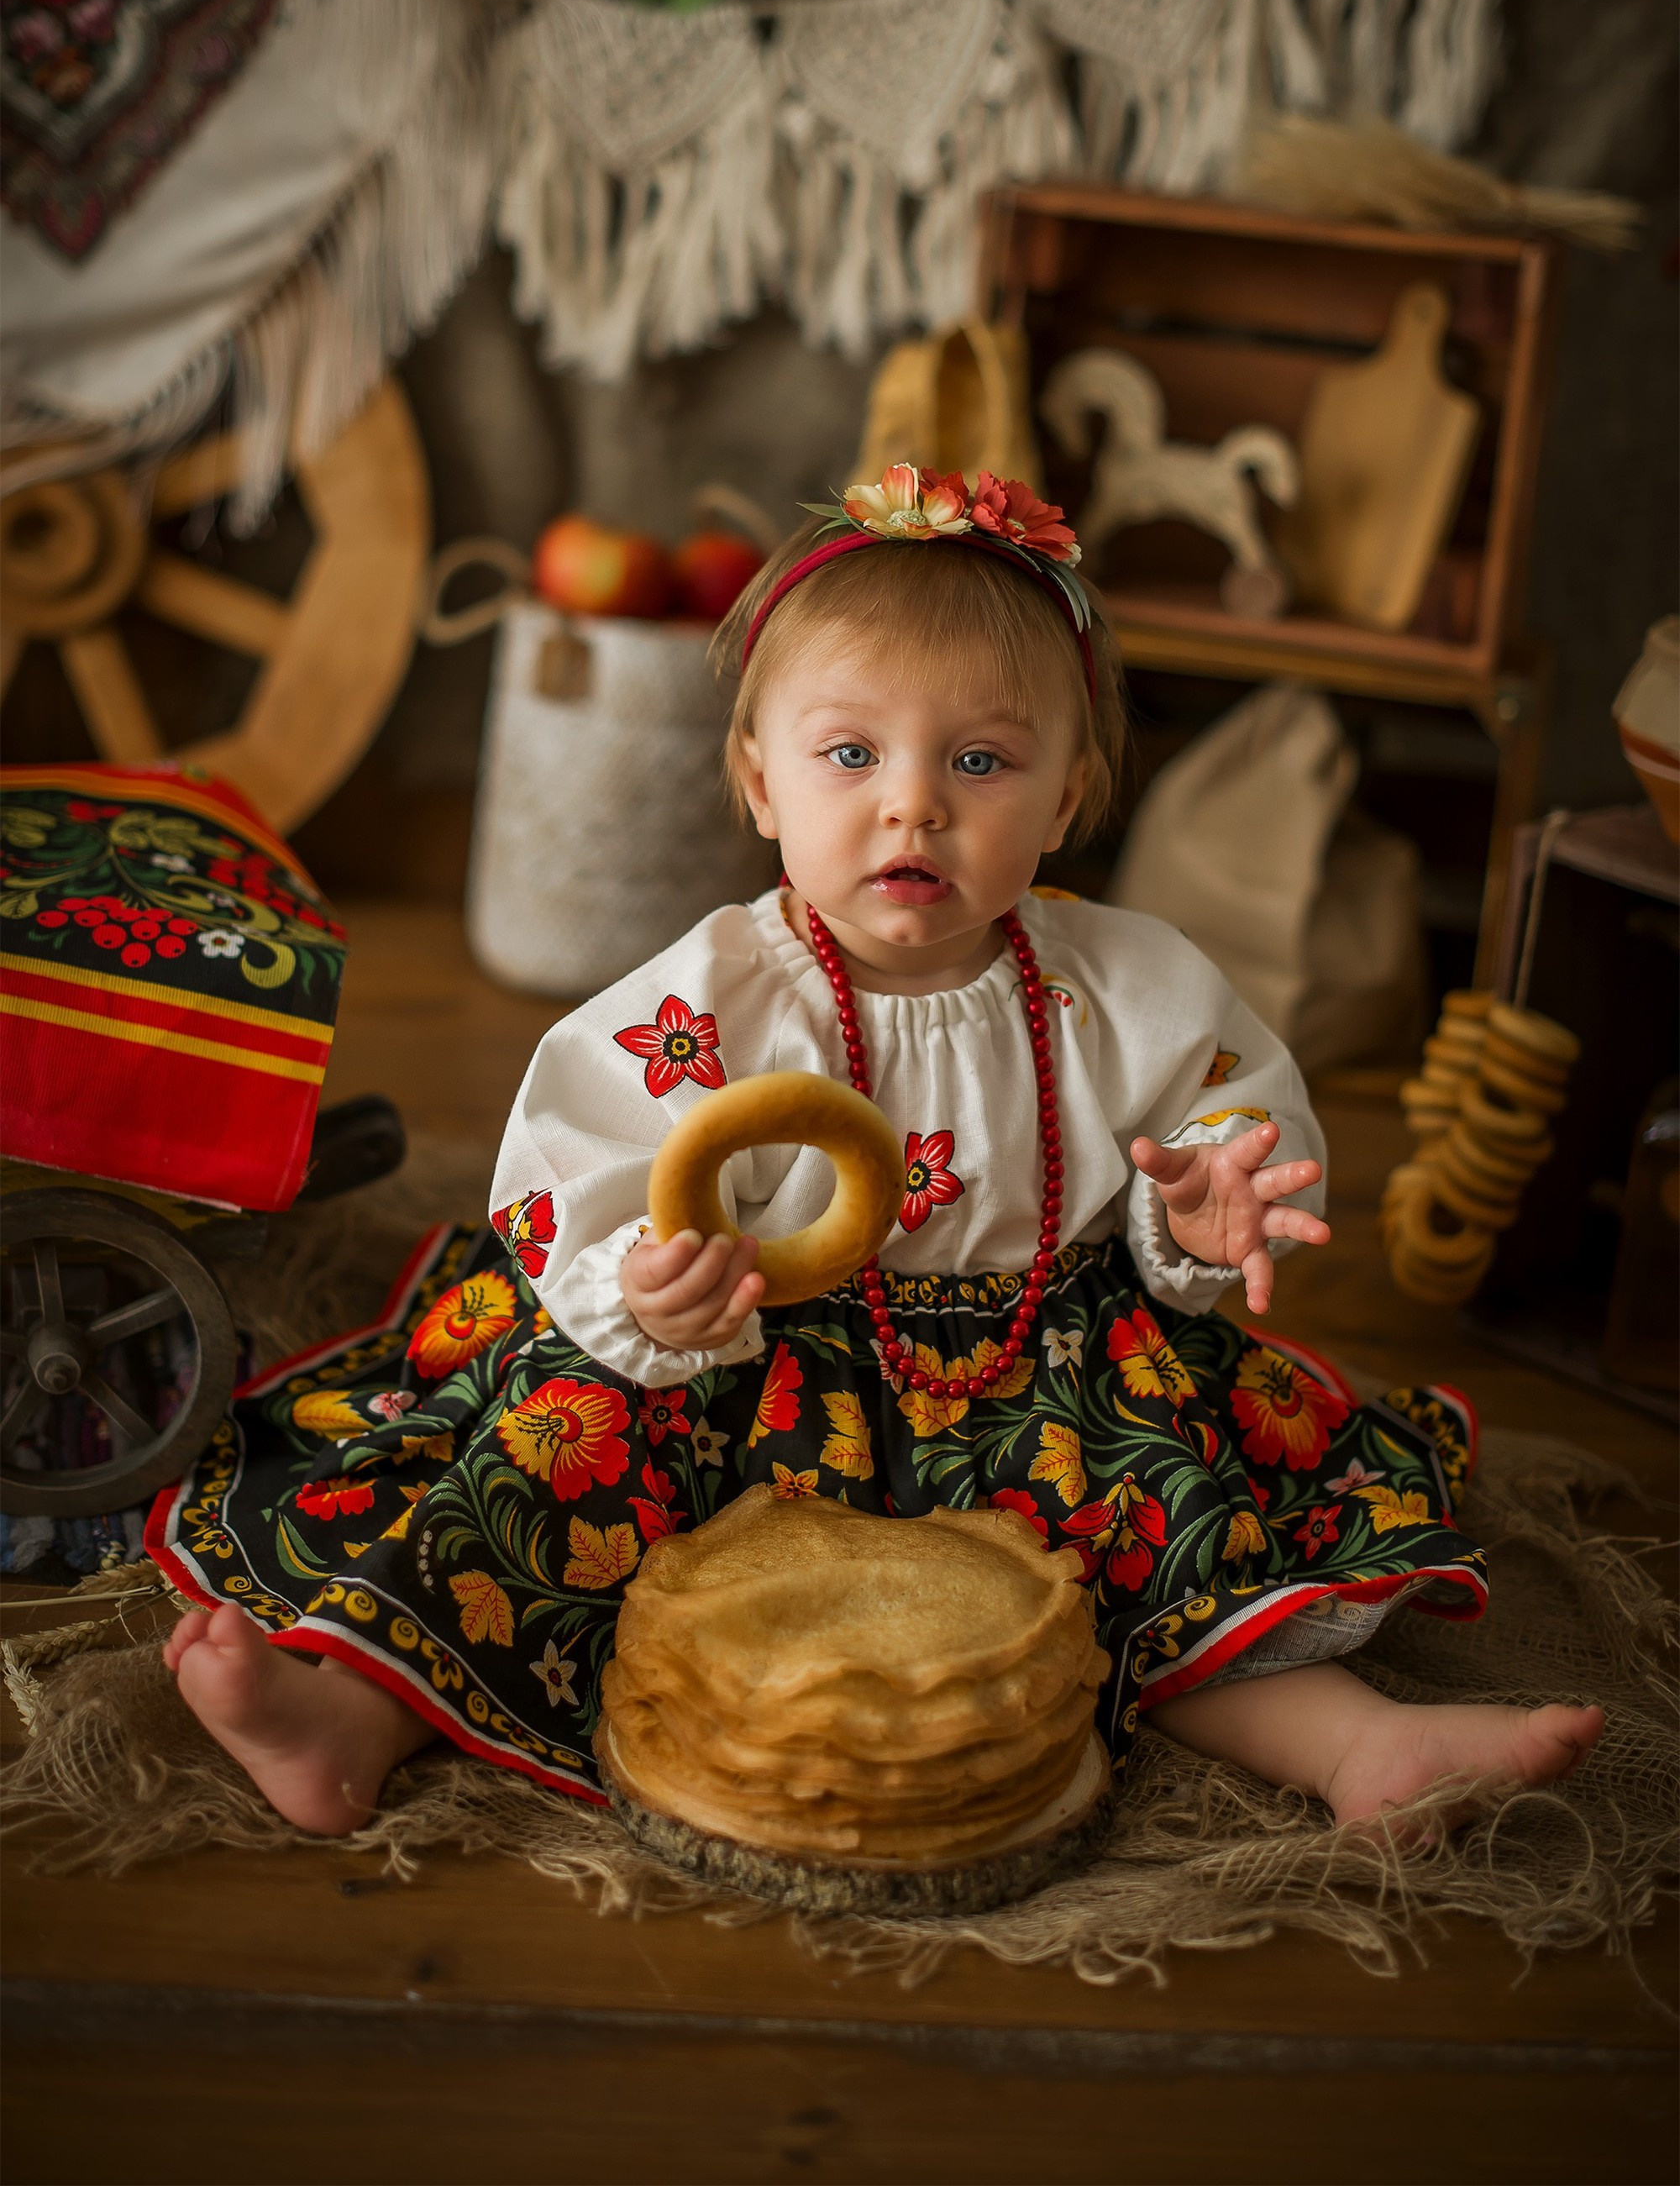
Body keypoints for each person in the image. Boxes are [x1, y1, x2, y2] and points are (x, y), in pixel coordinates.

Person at [158, 465, 1603, 1838]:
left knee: (1161, 1508)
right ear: (761, 783)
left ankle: (1355, 1742)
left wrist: (1211, 1204)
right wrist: (641, 1285)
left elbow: (1230, 1110)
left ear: (1070, 794)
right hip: (747, 1348)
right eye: (850, 754)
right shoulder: (710, 997)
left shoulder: (1127, 983)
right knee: (561, 1446)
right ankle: (358, 1708)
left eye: (982, 761)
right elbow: (574, 1151)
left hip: (1038, 1358)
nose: (914, 803)